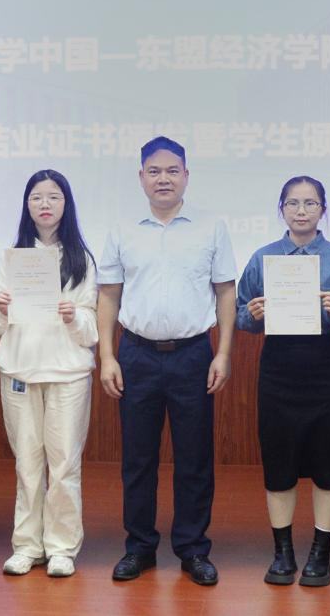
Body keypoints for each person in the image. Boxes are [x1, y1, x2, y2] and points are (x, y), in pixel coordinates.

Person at [97, 136, 237, 586]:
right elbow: (109, 295)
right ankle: (139, 548)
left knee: (194, 457)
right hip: (135, 354)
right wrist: (107, 355)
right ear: (141, 177)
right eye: (154, 171)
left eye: (172, 171)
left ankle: (193, 549)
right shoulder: (123, 229)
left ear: (186, 176)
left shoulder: (210, 227)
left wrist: (223, 352)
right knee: (138, 459)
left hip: (192, 354)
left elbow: (225, 292)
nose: (164, 179)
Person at [236, 176, 330, 587]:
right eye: (293, 203)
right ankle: (283, 553)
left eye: (310, 203)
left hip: (325, 373)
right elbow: (239, 314)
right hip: (278, 373)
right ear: (281, 209)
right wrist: (252, 314)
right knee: (279, 464)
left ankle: (320, 554)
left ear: (323, 210)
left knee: (329, 465)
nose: (301, 211)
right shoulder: (263, 258)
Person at [0, 169, 98, 578]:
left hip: (68, 373)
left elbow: (92, 327)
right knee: (27, 463)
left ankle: (62, 547)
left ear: (66, 204)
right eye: (37, 197)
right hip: (19, 369)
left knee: (64, 463)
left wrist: (73, 316)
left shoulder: (82, 259)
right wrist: (0, 307)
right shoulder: (12, 258)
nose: (45, 204)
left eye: (53, 197)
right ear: (27, 205)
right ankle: (27, 545)